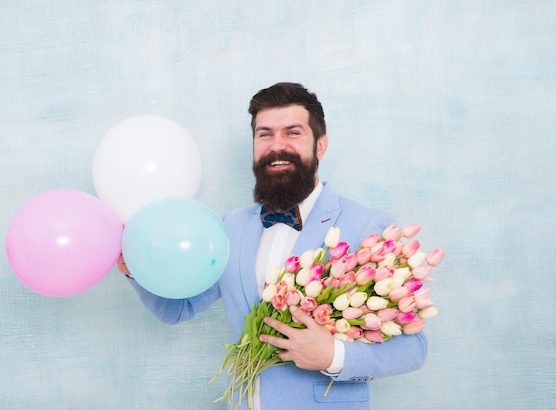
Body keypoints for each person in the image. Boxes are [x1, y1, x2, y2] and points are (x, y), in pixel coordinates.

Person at [117, 82, 428, 409]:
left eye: (293, 132)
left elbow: (414, 348)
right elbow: (178, 309)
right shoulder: (230, 227)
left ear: (320, 145)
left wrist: (334, 355)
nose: (277, 145)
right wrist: (137, 270)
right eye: (265, 134)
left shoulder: (365, 226)